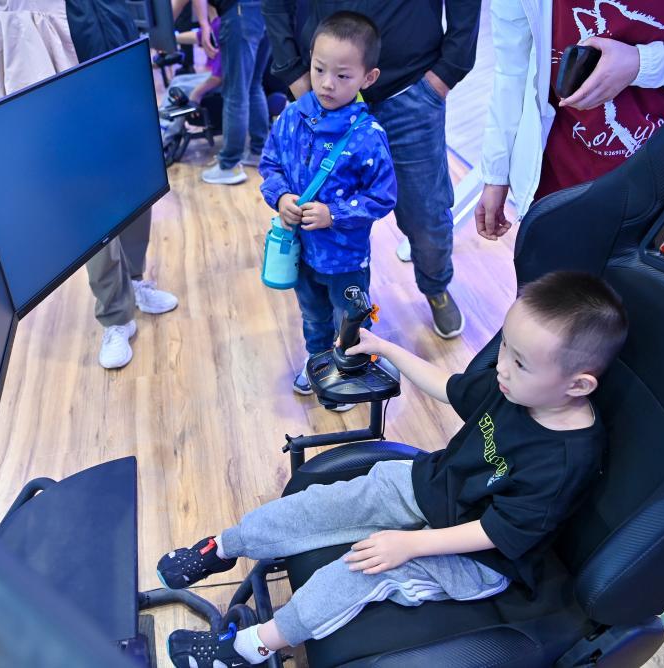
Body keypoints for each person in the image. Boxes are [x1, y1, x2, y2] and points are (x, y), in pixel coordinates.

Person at [157, 271, 628, 666]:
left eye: (519, 363)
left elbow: (496, 532)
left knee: (358, 572)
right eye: (504, 348)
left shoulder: (565, 460)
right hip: (436, 486)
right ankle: (223, 547)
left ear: (578, 385)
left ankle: (250, 648)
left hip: (480, 557)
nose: (501, 367)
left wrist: (408, 544)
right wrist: (384, 348)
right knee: (323, 503)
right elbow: (450, 386)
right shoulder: (516, 387)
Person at [0, 0, 178, 370]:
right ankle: (115, 315)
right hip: (62, 81)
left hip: (118, 63)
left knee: (135, 183)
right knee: (89, 203)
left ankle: (135, 280)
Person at [264, 0, 482, 339]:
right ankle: (324, 328)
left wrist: (449, 70)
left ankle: (435, 285)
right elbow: (272, 166)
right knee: (311, 210)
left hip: (410, 88)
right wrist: (293, 72)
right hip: (324, 96)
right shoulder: (309, 98)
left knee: (425, 214)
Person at [475, 0, 664, 241]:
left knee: (628, 291)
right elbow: (512, 67)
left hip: (656, 181)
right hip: (553, 172)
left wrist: (643, 63)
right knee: (546, 287)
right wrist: (496, 174)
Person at [259, 11, 395, 411]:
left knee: (351, 317)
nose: (326, 83)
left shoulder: (369, 137)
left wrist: (334, 214)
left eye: (342, 75)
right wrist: (281, 197)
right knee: (312, 314)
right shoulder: (292, 116)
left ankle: (349, 373)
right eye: (319, 69)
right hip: (302, 252)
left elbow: (383, 196)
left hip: (346, 258)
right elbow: (270, 164)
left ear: (368, 78)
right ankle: (318, 362)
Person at [173, 0, 271, 185]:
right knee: (253, 86)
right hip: (266, 10)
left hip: (239, 12)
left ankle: (229, 166)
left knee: (235, 93)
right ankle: (258, 152)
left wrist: (203, 23)